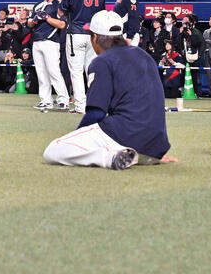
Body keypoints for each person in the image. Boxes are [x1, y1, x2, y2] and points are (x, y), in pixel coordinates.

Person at [43, 11, 176, 169]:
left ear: (95, 38)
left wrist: (76, 137)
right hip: (155, 148)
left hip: (125, 136)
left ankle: (110, 156)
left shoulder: (102, 62)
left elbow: (96, 113)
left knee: (53, 150)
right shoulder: (143, 55)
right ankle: (131, 155)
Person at [59, 0, 106, 114]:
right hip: (93, 35)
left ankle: (80, 106)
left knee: (77, 72)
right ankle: (95, 104)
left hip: (76, 34)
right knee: (91, 70)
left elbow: (61, 13)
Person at [29, 0, 69, 111]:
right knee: (41, 73)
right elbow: (29, 23)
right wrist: (34, 19)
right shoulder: (38, 5)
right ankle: (46, 100)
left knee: (54, 71)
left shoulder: (58, 6)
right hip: (37, 41)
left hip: (51, 41)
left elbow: (62, 24)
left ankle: (63, 99)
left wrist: (46, 17)